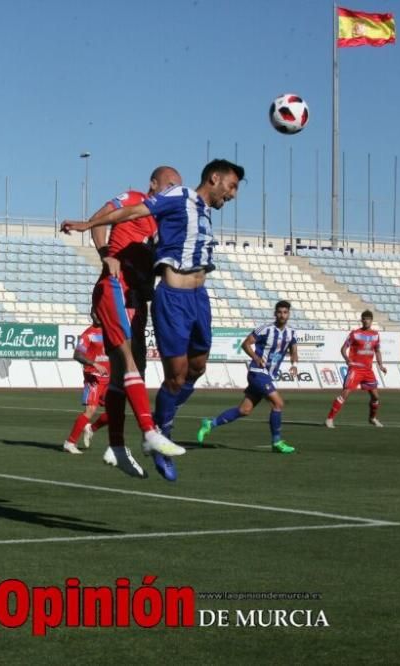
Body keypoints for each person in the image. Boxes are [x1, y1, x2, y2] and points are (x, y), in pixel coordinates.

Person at [64, 159, 245, 481]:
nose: (232, 195)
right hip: (154, 294)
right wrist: (96, 238)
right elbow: (125, 212)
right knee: (144, 369)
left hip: (180, 298)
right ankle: (155, 434)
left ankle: (120, 445)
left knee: (180, 368)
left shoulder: (172, 220)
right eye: (230, 186)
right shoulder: (160, 198)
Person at [60, 165, 185, 479]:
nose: (173, 192)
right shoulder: (134, 199)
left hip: (136, 299)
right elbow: (100, 219)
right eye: (169, 185)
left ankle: (116, 446)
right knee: (128, 364)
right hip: (116, 287)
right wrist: (105, 254)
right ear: (153, 184)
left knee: (125, 376)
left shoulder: (163, 224)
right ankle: (149, 432)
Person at [197, 301, 298, 454]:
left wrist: (294, 364)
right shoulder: (265, 329)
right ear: (275, 313)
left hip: (268, 375)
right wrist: (256, 358)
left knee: (244, 410)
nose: (282, 315)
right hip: (257, 372)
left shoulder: (291, 333)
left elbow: (294, 350)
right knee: (278, 403)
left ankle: (210, 424)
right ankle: (277, 442)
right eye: (279, 312)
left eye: (285, 312)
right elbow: (246, 344)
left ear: (289, 314)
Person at [325, 310, 387, 428]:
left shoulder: (375, 335)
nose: (366, 321)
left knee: (375, 397)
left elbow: (377, 351)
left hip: (368, 370)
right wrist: (347, 359)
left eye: (368, 319)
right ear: (362, 320)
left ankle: (372, 418)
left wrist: (381, 365)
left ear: (371, 321)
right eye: (364, 318)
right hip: (355, 369)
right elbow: (343, 349)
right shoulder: (355, 333)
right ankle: (329, 419)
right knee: (345, 393)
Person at [62, 316, 110, 454]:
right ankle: (70, 443)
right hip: (93, 377)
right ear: (92, 315)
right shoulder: (88, 334)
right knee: (90, 410)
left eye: (100, 312)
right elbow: (77, 355)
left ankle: (91, 429)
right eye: (95, 313)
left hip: (109, 378)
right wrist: (94, 364)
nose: (98, 315)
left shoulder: (109, 331)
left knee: (115, 413)